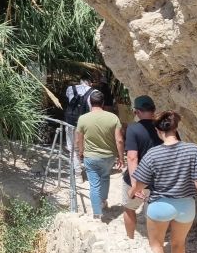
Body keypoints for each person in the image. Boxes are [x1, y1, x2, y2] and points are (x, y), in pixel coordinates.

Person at [130, 111, 197, 253]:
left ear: (158, 131)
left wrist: (132, 192)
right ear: (176, 128)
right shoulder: (193, 149)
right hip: (186, 206)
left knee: (156, 244)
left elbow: (140, 183)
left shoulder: (153, 153)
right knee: (179, 244)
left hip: (160, 206)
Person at [75, 90, 124, 220]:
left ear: (90, 103)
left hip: (90, 157)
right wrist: (121, 157)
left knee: (94, 185)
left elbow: (79, 140)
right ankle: (103, 202)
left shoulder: (83, 118)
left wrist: (81, 152)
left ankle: (97, 213)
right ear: (103, 103)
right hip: (109, 157)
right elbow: (119, 140)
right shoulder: (113, 118)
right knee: (105, 177)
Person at [122, 95, 161, 240]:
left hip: (138, 179)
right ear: (154, 110)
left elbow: (132, 157)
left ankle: (130, 239)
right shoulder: (164, 127)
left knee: (129, 208)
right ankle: (155, 242)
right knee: (153, 212)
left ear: (137, 111)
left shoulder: (133, 129)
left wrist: (135, 185)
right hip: (159, 180)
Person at [64, 74, 95, 175]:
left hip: (71, 123)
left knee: (73, 149)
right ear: (90, 83)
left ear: (80, 81)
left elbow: (68, 100)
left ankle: (78, 174)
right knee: (88, 148)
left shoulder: (70, 89)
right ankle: (90, 172)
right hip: (86, 124)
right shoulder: (93, 92)